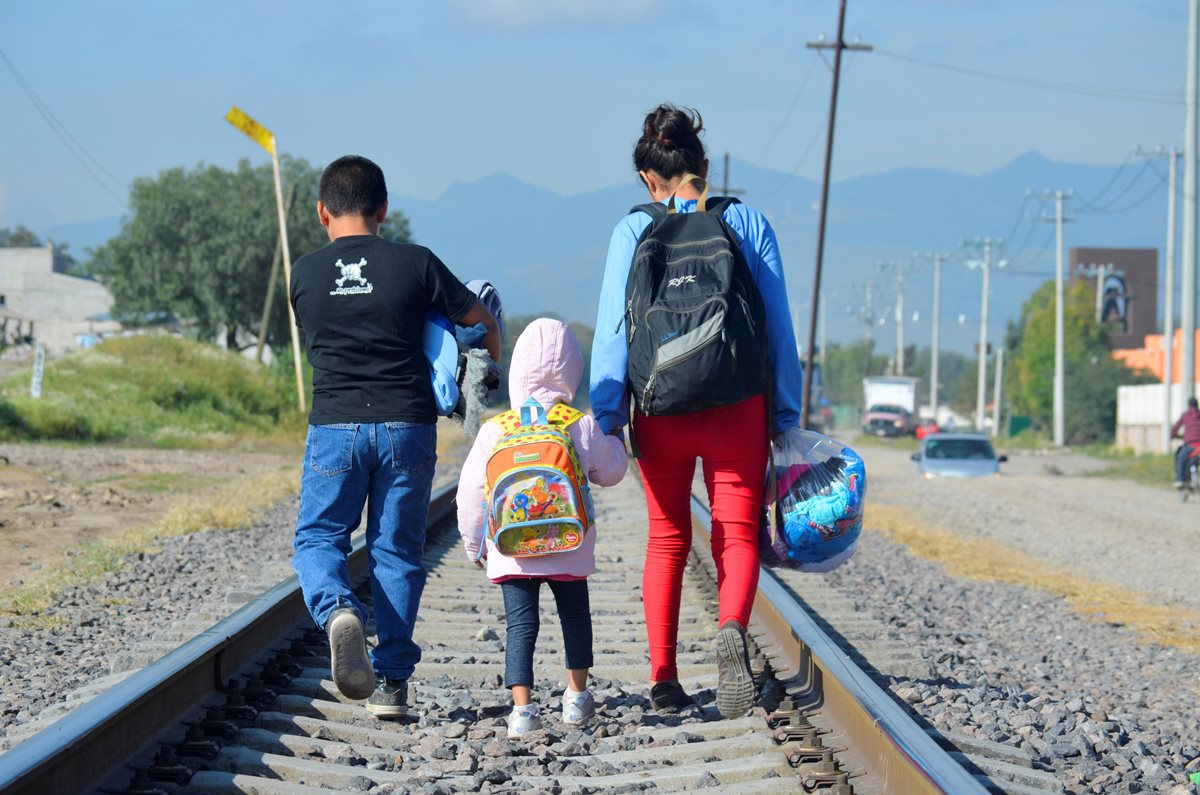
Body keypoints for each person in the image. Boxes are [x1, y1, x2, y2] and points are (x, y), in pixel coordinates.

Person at [589, 104, 804, 719]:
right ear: (704, 168)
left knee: (667, 539)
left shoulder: (632, 230)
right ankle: (732, 627)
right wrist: (784, 417)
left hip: (662, 408)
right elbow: (780, 331)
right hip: (738, 404)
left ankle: (663, 676)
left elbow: (612, 333)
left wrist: (609, 415)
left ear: (646, 180)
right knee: (737, 535)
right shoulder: (748, 222)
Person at [289, 155, 500, 718]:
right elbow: (480, 319)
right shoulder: (416, 263)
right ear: (384, 210)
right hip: (407, 425)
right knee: (396, 553)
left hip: (335, 425)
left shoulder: (304, 273)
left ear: (321, 212)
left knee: (318, 539)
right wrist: (489, 365)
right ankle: (392, 686)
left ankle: (338, 612)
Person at [457, 318, 627, 738]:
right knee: (575, 616)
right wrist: (617, 440)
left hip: (512, 549)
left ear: (518, 370)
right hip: (568, 545)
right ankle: (575, 698)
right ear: (572, 371)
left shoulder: (497, 429)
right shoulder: (577, 423)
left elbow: (470, 493)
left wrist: (474, 544)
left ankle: (523, 710)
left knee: (520, 625)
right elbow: (611, 471)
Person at [1172, 396, 1200, 488]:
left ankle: (1180, 480)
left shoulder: (1185, 415)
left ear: (1189, 405)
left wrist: (1172, 435)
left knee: (1180, 458)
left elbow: (1175, 428)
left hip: (1190, 444)